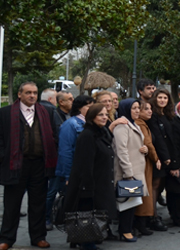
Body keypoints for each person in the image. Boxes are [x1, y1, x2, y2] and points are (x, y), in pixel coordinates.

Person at [0, 82, 57, 250]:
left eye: (34, 92)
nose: (32, 95)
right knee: (12, 204)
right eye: (28, 93)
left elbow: (54, 135)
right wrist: (3, 157)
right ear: (20, 95)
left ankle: (38, 237)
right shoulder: (6, 113)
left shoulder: (46, 112)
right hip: (16, 164)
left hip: (40, 164)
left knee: (38, 203)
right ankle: (6, 238)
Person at [63, 104, 115, 250]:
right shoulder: (87, 135)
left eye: (106, 114)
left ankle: (88, 240)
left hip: (101, 180)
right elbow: (85, 163)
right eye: (101, 115)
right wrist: (87, 187)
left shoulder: (102, 132)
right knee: (86, 214)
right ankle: (86, 242)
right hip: (90, 183)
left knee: (95, 213)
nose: (105, 117)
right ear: (92, 117)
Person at [48, 95, 93, 231]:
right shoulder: (71, 124)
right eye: (88, 107)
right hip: (73, 171)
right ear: (80, 108)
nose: (92, 110)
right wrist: (68, 176)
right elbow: (65, 152)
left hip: (87, 171)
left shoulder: (91, 123)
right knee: (69, 201)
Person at [113, 98, 148, 242]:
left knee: (132, 201)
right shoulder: (122, 126)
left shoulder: (134, 125)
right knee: (126, 202)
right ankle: (124, 230)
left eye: (138, 108)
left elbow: (135, 145)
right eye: (134, 108)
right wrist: (128, 173)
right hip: (127, 171)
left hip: (136, 169)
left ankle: (127, 229)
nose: (137, 111)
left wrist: (144, 149)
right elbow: (121, 151)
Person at [147, 89, 173, 232]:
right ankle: (153, 216)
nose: (162, 100)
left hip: (167, 155)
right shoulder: (154, 115)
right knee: (155, 185)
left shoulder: (167, 115)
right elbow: (157, 136)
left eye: (165, 98)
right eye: (160, 97)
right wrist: (165, 157)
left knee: (160, 185)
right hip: (158, 156)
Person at [133, 100, 160, 237]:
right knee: (144, 193)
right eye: (146, 109)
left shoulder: (143, 124)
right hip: (144, 163)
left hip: (144, 162)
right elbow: (148, 144)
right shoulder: (140, 124)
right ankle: (140, 224)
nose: (150, 111)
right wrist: (156, 158)